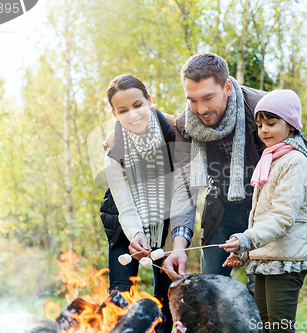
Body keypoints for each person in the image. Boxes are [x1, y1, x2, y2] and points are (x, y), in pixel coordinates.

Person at [219, 89, 307, 333]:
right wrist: (245, 252)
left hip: (285, 260)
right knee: (265, 328)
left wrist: (246, 239)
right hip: (265, 258)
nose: (263, 130)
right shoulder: (272, 159)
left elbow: (282, 217)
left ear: (291, 125)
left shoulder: (295, 162)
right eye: (260, 124)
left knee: (279, 329)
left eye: (271, 123)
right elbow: (261, 215)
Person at [163, 53, 267, 286]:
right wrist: (178, 247)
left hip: (264, 209)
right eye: (192, 100)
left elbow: (297, 157)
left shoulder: (262, 107)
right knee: (210, 287)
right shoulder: (185, 126)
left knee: (260, 291)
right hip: (220, 208)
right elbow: (184, 187)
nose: (201, 109)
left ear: (227, 87)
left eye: (208, 97)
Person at [101, 74, 175, 332]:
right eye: (123, 110)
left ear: (149, 101)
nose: (132, 114)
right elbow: (124, 202)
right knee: (119, 294)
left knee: (166, 294)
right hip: (123, 221)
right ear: (114, 113)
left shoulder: (174, 132)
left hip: (164, 218)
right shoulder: (113, 145)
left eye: (137, 105)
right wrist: (136, 234)